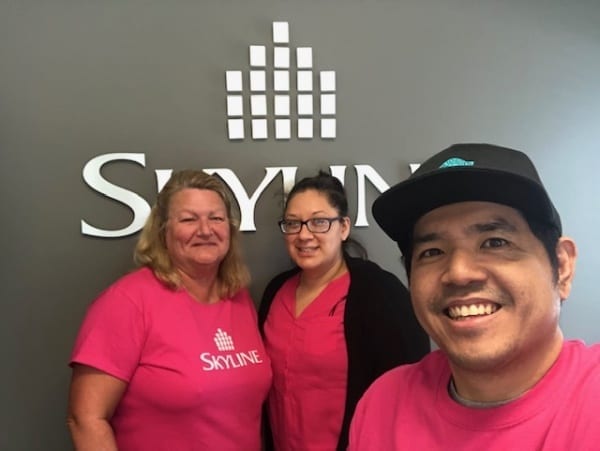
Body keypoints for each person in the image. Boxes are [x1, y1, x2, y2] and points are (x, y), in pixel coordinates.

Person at [348, 143, 600, 450]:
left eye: (495, 242)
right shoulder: (383, 404)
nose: (459, 272)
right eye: (433, 252)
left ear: (561, 266)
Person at [67, 170, 272, 450]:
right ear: (163, 231)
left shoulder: (237, 297)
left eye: (216, 218)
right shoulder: (127, 302)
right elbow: (86, 419)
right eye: (189, 219)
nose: (205, 230)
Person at [258, 171, 430, 451]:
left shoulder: (378, 291)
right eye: (293, 223)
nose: (304, 234)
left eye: (319, 222)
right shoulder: (275, 292)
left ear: (344, 227)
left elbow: (410, 391)